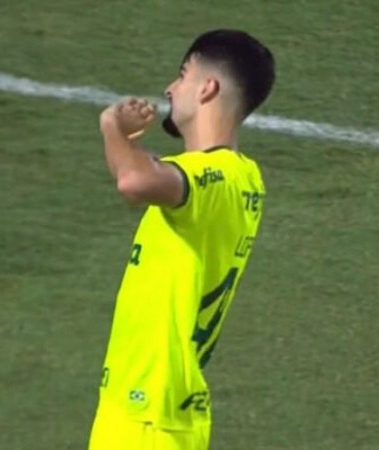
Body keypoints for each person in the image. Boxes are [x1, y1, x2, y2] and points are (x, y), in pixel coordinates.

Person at [89, 29, 275, 450]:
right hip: (157, 413)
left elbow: (135, 181)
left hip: (148, 416)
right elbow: (158, 174)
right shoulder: (243, 179)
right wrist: (130, 145)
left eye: (182, 74)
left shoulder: (220, 175)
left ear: (208, 88)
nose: (171, 88)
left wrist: (111, 126)